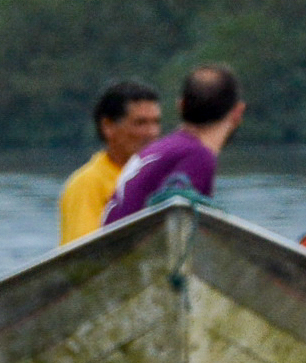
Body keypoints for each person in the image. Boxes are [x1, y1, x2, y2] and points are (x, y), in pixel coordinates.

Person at [102, 65, 245, 227]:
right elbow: (181, 230)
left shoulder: (161, 148)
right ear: (238, 111)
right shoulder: (197, 156)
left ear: (181, 105)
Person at [60, 81, 162, 245]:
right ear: (108, 126)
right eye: (140, 123)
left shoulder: (163, 178)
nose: (152, 132)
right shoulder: (87, 184)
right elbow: (81, 255)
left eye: (156, 122)